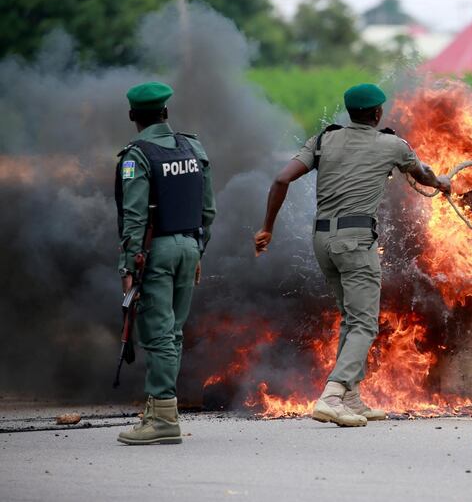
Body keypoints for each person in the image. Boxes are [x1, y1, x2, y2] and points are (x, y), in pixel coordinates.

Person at [253, 84, 450, 427]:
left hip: (322, 241)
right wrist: (444, 184)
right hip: (356, 243)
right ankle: (331, 395)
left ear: (349, 113)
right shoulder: (392, 145)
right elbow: (424, 175)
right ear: (377, 114)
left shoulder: (323, 140)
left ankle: (351, 398)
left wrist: (267, 228)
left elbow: (282, 178)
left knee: (350, 316)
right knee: (364, 322)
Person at [115, 81, 216, 445]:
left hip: (156, 254)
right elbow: (208, 210)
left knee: (158, 336)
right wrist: (197, 251)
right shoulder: (193, 148)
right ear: (165, 113)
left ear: (132, 117)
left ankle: (162, 420)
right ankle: (161, 411)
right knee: (172, 333)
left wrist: (129, 269)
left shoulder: (137, 156)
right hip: (190, 247)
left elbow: (134, 218)